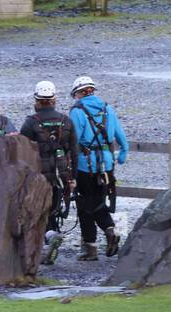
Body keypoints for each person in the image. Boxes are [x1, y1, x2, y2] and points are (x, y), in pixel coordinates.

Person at [68, 75, 128, 261]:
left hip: (86, 165)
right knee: (100, 200)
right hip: (107, 164)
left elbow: (74, 140)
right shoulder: (107, 108)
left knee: (85, 204)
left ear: (78, 93)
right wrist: (124, 152)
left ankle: (91, 247)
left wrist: (69, 165)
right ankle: (111, 231)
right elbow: (120, 134)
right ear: (92, 90)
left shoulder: (77, 111)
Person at [20, 80, 78, 265]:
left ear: (37, 100)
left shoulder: (30, 123)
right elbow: (74, 151)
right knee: (53, 210)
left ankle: (46, 242)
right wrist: (72, 178)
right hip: (61, 176)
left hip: (38, 176)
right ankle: (50, 239)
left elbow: (23, 152)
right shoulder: (66, 121)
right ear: (54, 100)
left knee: (36, 212)